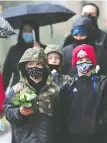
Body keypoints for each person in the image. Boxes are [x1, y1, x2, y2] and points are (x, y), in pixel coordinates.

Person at [4, 47, 60, 143]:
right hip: (24, 139)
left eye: (38, 64)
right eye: (30, 64)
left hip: (48, 139)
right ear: (25, 66)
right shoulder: (17, 89)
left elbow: (61, 115)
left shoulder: (54, 89)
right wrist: (19, 112)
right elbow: (8, 111)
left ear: (45, 66)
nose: (35, 67)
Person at [68, 44, 107, 143]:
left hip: (96, 136)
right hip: (73, 136)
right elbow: (63, 111)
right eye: (80, 60)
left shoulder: (102, 83)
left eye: (87, 60)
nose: (84, 63)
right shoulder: (68, 86)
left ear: (93, 63)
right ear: (75, 63)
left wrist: (100, 124)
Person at [63, 3, 107, 76]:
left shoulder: (104, 37)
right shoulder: (70, 38)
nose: (79, 38)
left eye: (91, 14)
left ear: (97, 16)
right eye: (85, 13)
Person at [2, 22, 46, 91]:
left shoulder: (44, 49)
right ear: (21, 32)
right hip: (17, 91)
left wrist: (39, 52)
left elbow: (49, 71)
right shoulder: (14, 50)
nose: (28, 33)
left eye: (30, 31)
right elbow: (6, 74)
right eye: (25, 30)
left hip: (39, 90)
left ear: (35, 33)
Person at [45, 44, 72, 143]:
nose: (53, 60)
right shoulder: (41, 79)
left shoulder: (67, 78)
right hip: (47, 122)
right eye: (50, 58)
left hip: (62, 120)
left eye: (57, 57)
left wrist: (56, 77)